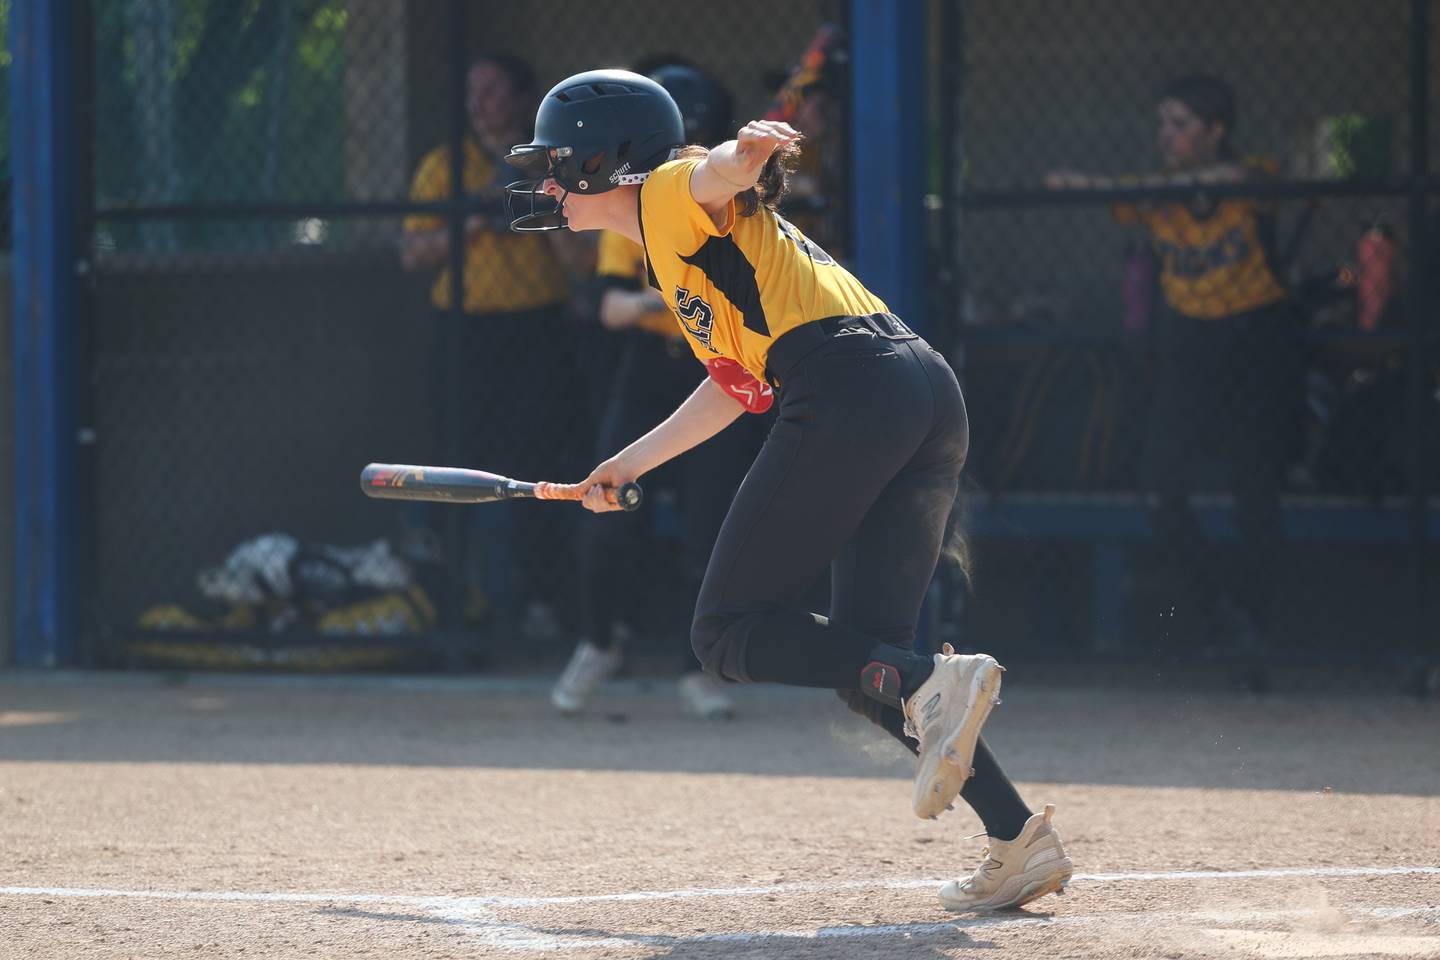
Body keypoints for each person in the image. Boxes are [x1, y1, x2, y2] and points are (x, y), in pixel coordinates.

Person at [506, 69, 1072, 912]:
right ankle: (1018, 839)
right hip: (916, 390)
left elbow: (710, 171)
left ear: (609, 159)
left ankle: (936, 687)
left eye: (560, 162)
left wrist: (747, 151)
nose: (548, 181)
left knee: (726, 632)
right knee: (873, 666)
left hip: (848, 388)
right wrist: (626, 464)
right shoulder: (677, 250)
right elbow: (735, 386)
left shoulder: (666, 192)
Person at [1047, 75, 1302, 654]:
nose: (1167, 135)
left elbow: (1256, 183)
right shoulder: (1156, 191)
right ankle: (1217, 608)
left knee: (1255, 485)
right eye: (1162, 123)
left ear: (1217, 131)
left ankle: (1254, 621)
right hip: (1189, 342)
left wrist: (1176, 185)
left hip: (1254, 337)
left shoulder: (1246, 174)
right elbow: (1077, 187)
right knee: (1159, 481)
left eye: (1181, 125)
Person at [551, 64, 762, 720]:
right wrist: (671, 299)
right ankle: (597, 640)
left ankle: (695, 667)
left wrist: (669, 300)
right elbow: (612, 305)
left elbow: (717, 179)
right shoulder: (637, 212)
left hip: (722, 369)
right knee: (604, 516)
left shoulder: (709, 195)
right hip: (653, 371)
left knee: (710, 530)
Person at [400, 55, 592, 645]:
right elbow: (413, 254)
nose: (478, 103)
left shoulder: (554, 163)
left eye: (491, 91)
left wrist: (540, 205)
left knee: (538, 463)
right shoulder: (445, 164)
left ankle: (539, 598)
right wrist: (481, 213)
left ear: (522, 99)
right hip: (463, 329)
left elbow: (582, 265)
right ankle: (451, 601)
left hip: (535, 331)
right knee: (452, 453)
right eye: (471, 91)